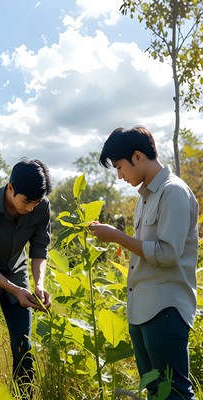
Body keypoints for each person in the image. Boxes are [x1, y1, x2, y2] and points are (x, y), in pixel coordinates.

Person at [90, 126, 197, 400]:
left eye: (120, 167)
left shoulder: (173, 192)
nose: (120, 175)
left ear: (137, 156)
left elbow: (166, 254)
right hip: (143, 310)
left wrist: (116, 237)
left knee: (174, 393)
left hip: (165, 308)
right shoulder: (144, 198)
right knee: (155, 392)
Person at [0, 158, 53, 399]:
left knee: (23, 346)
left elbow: (39, 249)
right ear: (11, 188)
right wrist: (14, 290)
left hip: (18, 274)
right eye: (26, 202)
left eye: (35, 203)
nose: (30, 209)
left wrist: (39, 284)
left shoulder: (41, 206)